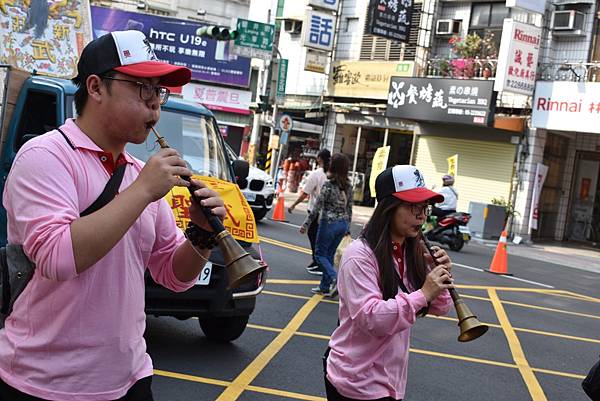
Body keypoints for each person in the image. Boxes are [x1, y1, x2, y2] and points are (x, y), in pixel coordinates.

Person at [0, 30, 226, 400]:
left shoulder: (141, 173)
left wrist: (200, 235)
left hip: (130, 378)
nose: (155, 105)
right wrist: (142, 191)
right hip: (42, 383)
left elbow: (172, 274)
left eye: (160, 92)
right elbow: (58, 257)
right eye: (143, 88)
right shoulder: (44, 157)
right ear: (96, 87)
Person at [324, 165, 454, 401]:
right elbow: (371, 318)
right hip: (357, 382)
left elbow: (441, 308)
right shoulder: (359, 255)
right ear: (388, 208)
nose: (422, 215)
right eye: (413, 206)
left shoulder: (410, 251)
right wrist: (424, 293)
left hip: (391, 381)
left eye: (425, 207)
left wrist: (439, 274)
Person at [300, 153, 352, 297]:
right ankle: (324, 286)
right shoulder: (348, 186)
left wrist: (306, 224)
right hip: (342, 225)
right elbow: (350, 209)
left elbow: (317, 206)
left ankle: (335, 279)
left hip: (328, 223)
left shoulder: (328, 185)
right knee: (329, 255)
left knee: (320, 255)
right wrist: (347, 227)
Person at [288, 148, 331, 275]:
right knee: (323, 239)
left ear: (319, 159)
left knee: (315, 238)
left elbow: (305, 193)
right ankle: (317, 261)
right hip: (330, 213)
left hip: (316, 212)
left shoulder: (316, 174)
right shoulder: (332, 174)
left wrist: (294, 205)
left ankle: (319, 263)